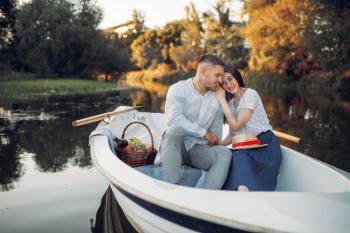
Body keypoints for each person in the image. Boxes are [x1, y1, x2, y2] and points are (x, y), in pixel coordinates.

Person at [160, 54, 232, 189]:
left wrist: (217, 142)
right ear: (203, 71)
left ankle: (206, 199)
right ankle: (171, 189)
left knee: (224, 153)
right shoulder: (178, 89)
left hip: (197, 150)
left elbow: (216, 129)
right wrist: (204, 133)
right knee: (174, 130)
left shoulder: (217, 96)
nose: (221, 80)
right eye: (217, 75)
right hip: (176, 147)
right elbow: (174, 119)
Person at [215, 64, 282, 191]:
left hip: (264, 146)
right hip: (246, 144)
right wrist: (219, 144)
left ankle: (243, 194)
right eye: (224, 83)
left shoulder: (250, 94)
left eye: (230, 79)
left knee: (239, 156)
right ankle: (237, 194)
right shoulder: (230, 103)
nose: (228, 85)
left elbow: (238, 124)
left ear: (237, 77)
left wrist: (222, 101)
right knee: (228, 156)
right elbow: (232, 136)